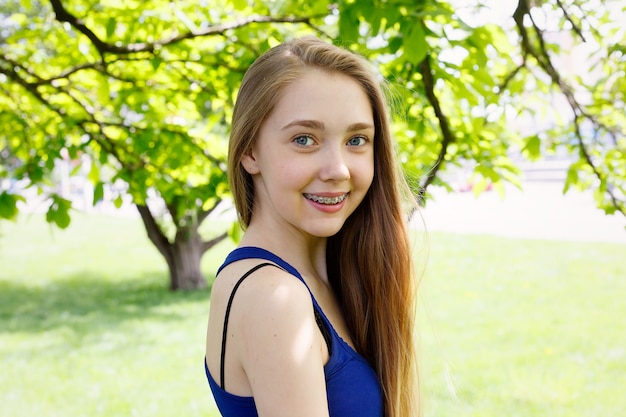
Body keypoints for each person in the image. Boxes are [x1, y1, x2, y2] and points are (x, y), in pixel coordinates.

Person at [205, 36, 420, 417]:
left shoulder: (327, 277)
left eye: (357, 140)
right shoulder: (272, 297)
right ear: (250, 151)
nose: (338, 170)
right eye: (304, 139)